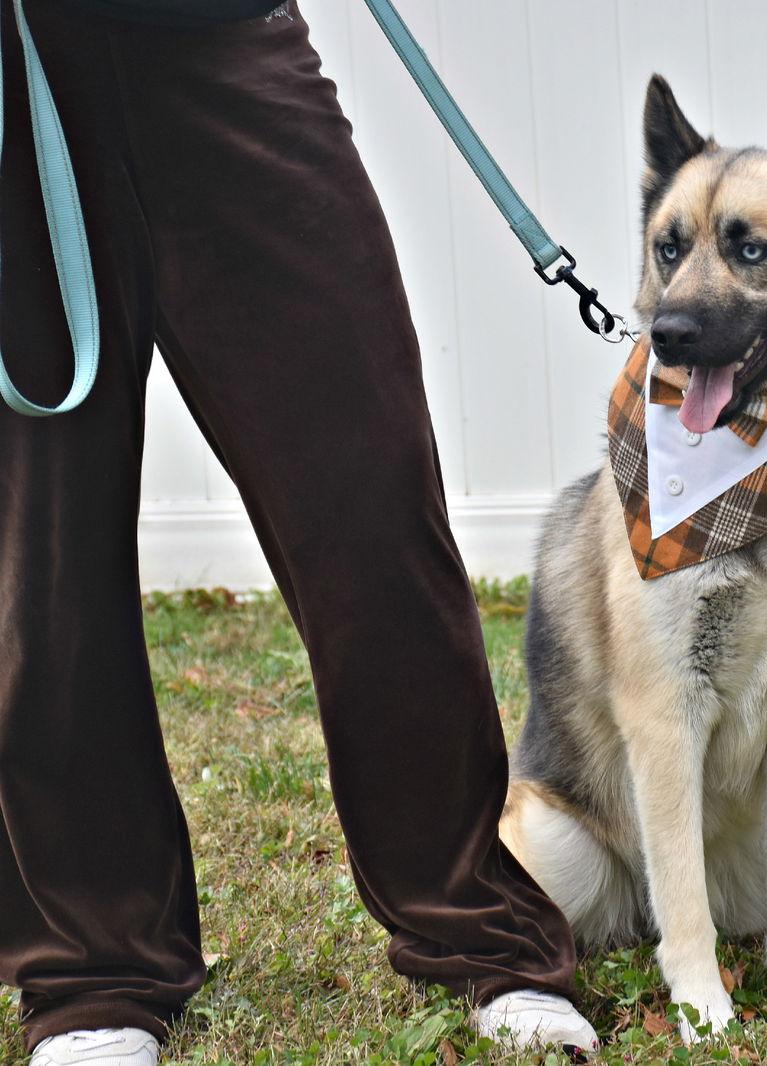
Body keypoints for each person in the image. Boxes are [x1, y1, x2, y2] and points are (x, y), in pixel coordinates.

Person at [0, 2, 598, 1062]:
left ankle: (476, 927)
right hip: (18, 76)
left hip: (216, 36)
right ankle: (94, 969)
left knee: (369, 496)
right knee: (39, 563)